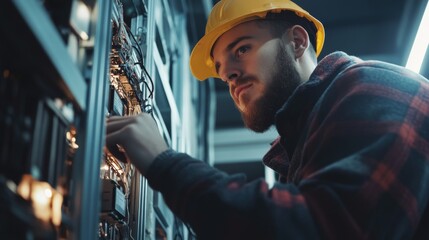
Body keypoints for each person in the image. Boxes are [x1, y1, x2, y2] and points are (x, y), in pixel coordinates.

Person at [106, 0, 429, 239]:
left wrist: (165, 164)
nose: (229, 74)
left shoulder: (371, 87)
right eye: (220, 70)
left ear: (297, 42)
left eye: (242, 49)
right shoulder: (304, 143)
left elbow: (320, 230)